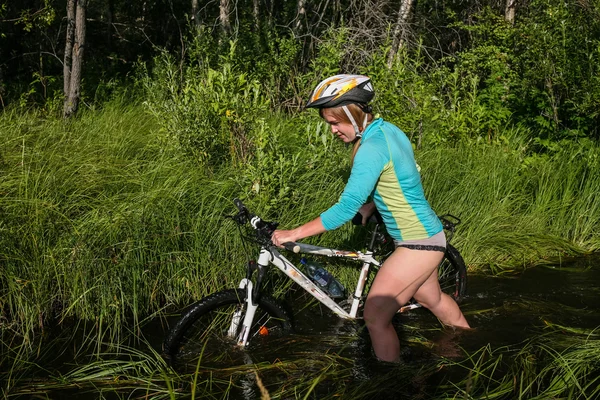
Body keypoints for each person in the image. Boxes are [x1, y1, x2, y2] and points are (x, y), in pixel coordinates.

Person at [271, 74, 470, 363]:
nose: (332, 130)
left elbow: (344, 209)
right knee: (432, 299)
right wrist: (372, 205)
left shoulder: (370, 149)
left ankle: (390, 383)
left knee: (375, 318)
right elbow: (401, 177)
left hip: (418, 245)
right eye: (329, 123)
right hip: (428, 234)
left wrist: (294, 233)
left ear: (353, 114)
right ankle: (467, 341)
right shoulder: (387, 131)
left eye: (334, 122)